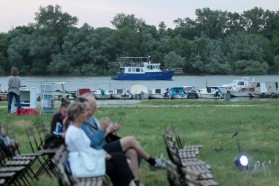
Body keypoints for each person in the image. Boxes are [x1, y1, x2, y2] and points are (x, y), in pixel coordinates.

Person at [79, 94, 165, 185]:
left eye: (93, 107)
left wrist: (111, 129)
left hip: (103, 146)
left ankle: (136, 182)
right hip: (100, 149)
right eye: (92, 107)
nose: (94, 109)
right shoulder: (81, 122)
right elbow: (93, 143)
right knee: (130, 140)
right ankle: (153, 162)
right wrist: (106, 130)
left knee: (132, 152)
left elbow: (100, 133)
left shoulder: (91, 118)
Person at [65, 101, 136, 186]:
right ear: (77, 115)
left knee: (119, 158)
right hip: (85, 165)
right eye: (83, 112)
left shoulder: (77, 129)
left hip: (88, 161)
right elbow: (84, 152)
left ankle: (131, 184)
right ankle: (132, 184)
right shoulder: (74, 132)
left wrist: (102, 153)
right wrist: (101, 154)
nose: (86, 114)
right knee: (118, 162)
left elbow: (86, 149)